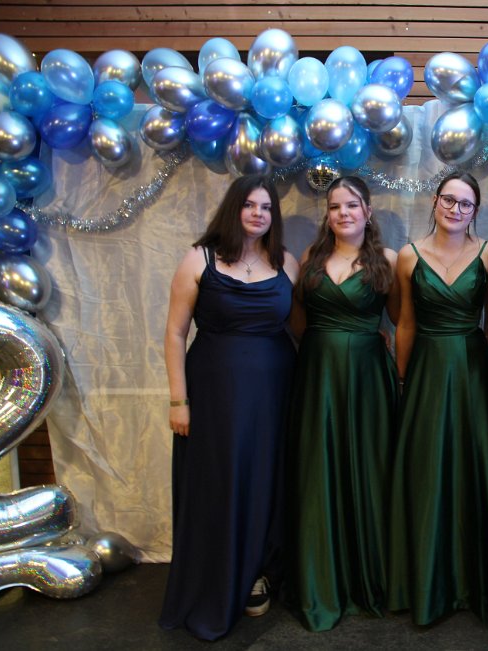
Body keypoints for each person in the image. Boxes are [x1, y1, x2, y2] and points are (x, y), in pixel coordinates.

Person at [159, 174, 298, 640]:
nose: (258, 214)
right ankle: (216, 579)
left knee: (267, 481)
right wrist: (179, 400)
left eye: (267, 207)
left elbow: (301, 326)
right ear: (233, 209)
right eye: (250, 205)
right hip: (215, 394)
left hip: (276, 393)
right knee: (221, 481)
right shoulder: (199, 259)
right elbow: (175, 333)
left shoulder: (286, 263)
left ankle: (259, 572)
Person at [387, 172, 488, 625]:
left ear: (475, 211)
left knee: (472, 467)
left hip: (473, 369)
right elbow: (405, 323)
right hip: (426, 369)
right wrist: (403, 380)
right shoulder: (408, 255)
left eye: (466, 203)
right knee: (428, 471)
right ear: (434, 202)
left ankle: (473, 585)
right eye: (449, 200)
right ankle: (428, 582)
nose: (456, 209)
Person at [286, 175, 399, 632]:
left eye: (352, 205)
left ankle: (371, 579)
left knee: (369, 470)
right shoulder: (310, 259)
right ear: (327, 214)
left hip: (369, 379)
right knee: (320, 470)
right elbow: (297, 322)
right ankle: (323, 580)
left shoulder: (388, 260)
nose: (343, 213)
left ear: (367, 212)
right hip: (318, 376)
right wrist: (328, 346)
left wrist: (375, 343)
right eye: (335, 207)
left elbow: (399, 320)